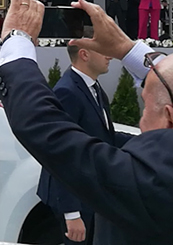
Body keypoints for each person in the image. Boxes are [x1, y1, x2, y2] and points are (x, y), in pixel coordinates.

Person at [0, 0, 173, 244]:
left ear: (169, 119)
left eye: (146, 107)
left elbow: (51, 134)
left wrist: (16, 41)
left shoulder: (162, 185)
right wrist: (127, 49)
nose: (141, 122)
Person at [36, 44, 133, 245]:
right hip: (76, 198)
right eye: (102, 50)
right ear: (84, 54)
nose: (110, 55)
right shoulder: (67, 92)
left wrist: (149, 139)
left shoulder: (94, 88)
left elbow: (104, 136)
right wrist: (71, 213)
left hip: (90, 192)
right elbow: (60, 152)